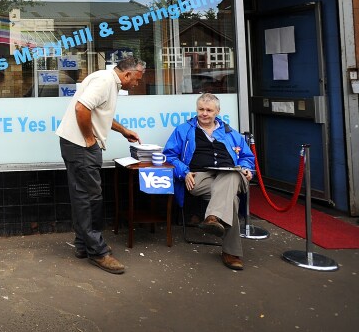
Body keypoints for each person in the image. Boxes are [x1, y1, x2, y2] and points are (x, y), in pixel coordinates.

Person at [55, 57, 145, 274]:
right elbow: (81, 108)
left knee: (83, 196)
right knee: (90, 198)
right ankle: (98, 251)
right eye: (136, 80)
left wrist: (123, 130)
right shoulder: (105, 82)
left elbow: (96, 112)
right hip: (81, 147)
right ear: (127, 74)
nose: (136, 84)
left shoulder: (106, 80)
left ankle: (83, 244)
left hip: (75, 145)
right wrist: (88, 138)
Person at [163, 93, 255, 270]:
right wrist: (185, 172)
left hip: (233, 176)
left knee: (232, 175)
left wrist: (245, 168)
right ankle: (230, 251)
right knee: (231, 200)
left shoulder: (230, 132)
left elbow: (247, 157)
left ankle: (213, 218)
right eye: (201, 109)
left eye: (209, 110)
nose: (204, 113)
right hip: (199, 177)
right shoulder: (184, 130)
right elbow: (169, 155)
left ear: (217, 112)